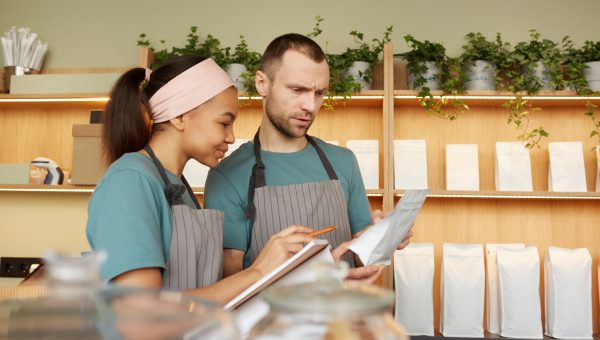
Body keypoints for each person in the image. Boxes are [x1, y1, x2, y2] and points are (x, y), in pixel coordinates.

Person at [86, 55, 316, 304]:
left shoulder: (178, 185)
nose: (231, 137)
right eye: (224, 123)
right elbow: (141, 314)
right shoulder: (128, 183)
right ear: (179, 116)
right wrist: (258, 271)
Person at [204, 33, 411, 278]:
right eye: (297, 90)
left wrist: (381, 238)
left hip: (342, 314)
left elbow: (358, 256)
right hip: (271, 317)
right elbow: (231, 285)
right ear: (262, 84)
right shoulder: (227, 176)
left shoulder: (343, 162)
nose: (310, 107)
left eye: (319, 93)